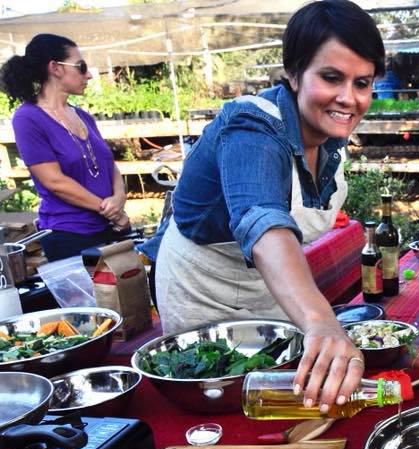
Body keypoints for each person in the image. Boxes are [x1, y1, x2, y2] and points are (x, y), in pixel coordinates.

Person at [154, 0, 382, 409]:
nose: (349, 98)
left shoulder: (331, 142)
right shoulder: (252, 126)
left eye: (362, 83)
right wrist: (320, 321)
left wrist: (312, 320)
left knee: (276, 400)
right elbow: (262, 218)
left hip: (273, 292)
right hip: (205, 295)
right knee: (220, 402)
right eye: (332, 78)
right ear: (293, 74)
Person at [1, 34, 129, 261]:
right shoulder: (28, 118)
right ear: (55, 68)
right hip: (69, 235)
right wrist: (109, 209)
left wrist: (119, 199)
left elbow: (109, 166)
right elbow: (54, 182)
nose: (88, 75)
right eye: (81, 67)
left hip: (111, 227)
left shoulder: (83, 116)